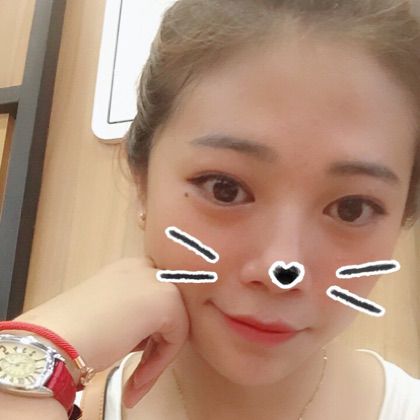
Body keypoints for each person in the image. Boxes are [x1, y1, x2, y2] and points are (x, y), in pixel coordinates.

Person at [1, 0, 420, 419]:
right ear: (143, 180)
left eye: (351, 209)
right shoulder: (41, 403)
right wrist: (38, 350)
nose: (281, 269)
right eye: (225, 189)